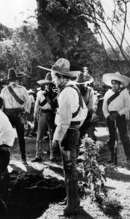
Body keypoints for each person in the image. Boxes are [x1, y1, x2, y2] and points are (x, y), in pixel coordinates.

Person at [41, 58, 87, 216]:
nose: (53, 80)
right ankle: (73, 200)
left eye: (54, 77)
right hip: (72, 130)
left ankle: (72, 206)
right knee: (70, 168)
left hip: (67, 132)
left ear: (61, 76)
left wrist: (55, 139)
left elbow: (65, 120)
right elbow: (84, 111)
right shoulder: (71, 88)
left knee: (69, 169)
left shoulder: (67, 92)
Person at [0, 68, 31, 164]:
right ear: (8, 81)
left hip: (19, 115)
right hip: (7, 115)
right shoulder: (4, 90)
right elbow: (1, 104)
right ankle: (7, 158)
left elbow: (28, 102)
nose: (13, 82)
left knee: (21, 137)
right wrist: (1, 116)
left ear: (17, 80)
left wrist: (26, 112)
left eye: (15, 80)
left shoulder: (22, 89)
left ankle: (23, 157)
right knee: (7, 137)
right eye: (11, 80)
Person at [102, 72, 130, 164]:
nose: (114, 85)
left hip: (120, 116)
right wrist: (108, 116)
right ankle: (113, 157)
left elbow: (128, 106)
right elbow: (104, 107)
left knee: (124, 136)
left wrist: (118, 114)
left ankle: (129, 157)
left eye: (116, 83)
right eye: (113, 83)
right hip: (110, 117)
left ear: (120, 84)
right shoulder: (107, 93)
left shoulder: (124, 92)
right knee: (112, 137)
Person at [31, 72, 57, 162]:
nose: (48, 86)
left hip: (51, 114)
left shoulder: (55, 94)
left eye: (50, 84)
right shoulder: (40, 94)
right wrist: (35, 116)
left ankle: (52, 155)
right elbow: (36, 106)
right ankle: (38, 155)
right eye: (46, 85)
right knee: (39, 136)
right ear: (44, 85)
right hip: (42, 114)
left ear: (52, 85)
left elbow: (57, 106)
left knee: (52, 136)